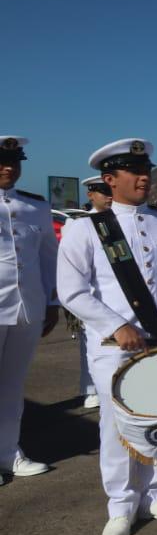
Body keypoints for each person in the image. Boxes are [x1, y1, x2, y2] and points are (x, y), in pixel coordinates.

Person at [58, 138, 157, 535]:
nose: (144, 178)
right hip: (115, 348)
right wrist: (114, 325)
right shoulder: (86, 228)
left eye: (146, 171)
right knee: (119, 426)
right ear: (110, 179)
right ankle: (122, 505)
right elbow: (72, 291)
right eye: (133, 172)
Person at [0, 135, 58, 482]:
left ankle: (9, 452)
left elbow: (48, 257)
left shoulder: (36, 207)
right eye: (2, 161)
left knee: (13, 385)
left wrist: (52, 301)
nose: (8, 167)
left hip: (27, 308)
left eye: (14, 162)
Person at [74, 175, 114, 407]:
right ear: (91, 194)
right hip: (89, 294)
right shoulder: (80, 223)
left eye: (111, 191)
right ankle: (90, 388)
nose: (109, 196)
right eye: (103, 192)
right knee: (88, 344)